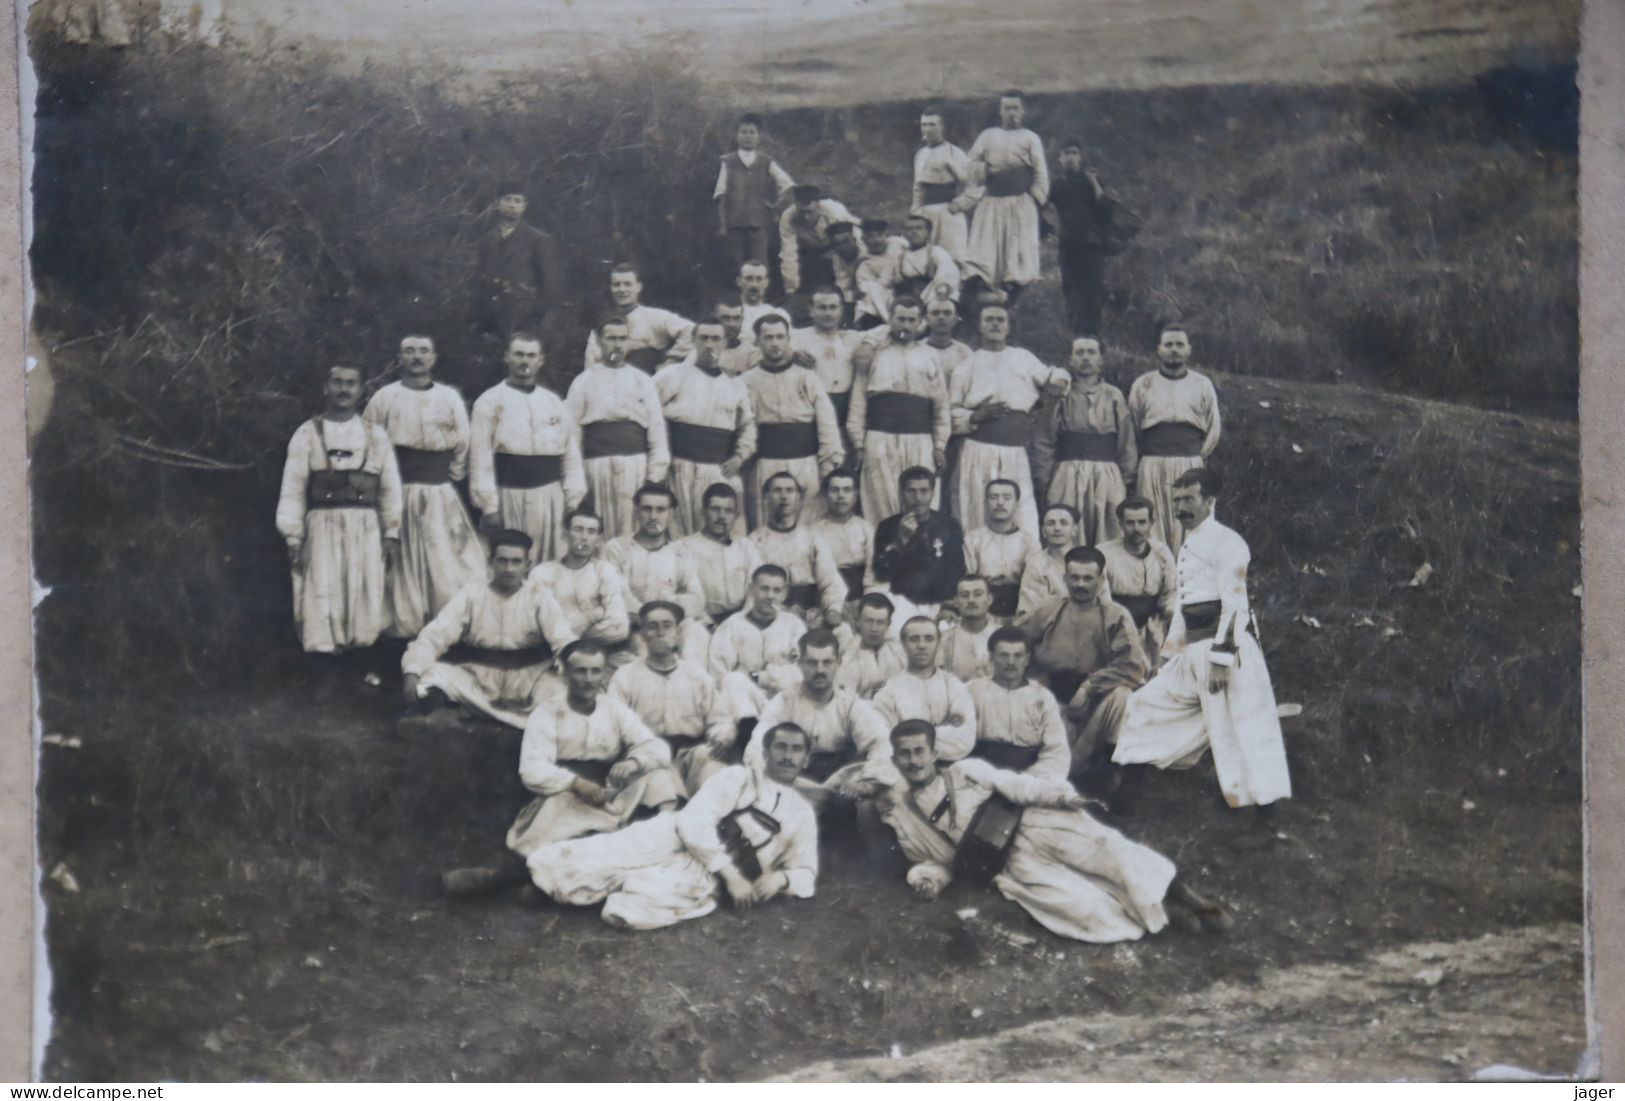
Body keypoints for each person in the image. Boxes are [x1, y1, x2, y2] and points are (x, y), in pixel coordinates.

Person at [876, 720, 1229, 942]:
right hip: (1010, 864)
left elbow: (1017, 786)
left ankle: (1198, 904)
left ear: (934, 751)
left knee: (1111, 850)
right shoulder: (906, 815)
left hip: (1035, 824)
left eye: (920, 751)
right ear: (895, 760)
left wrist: (1064, 798)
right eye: (904, 755)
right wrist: (928, 880)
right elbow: (938, 861)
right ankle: (1166, 918)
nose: (914, 761)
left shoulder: (965, 771)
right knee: (1080, 904)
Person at [439, 640, 680, 898]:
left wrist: (633, 762)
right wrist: (575, 783)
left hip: (609, 792)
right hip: (567, 792)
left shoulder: (614, 709)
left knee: (658, 778)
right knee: (560, 820)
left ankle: (667, 852)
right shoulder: (547, 713)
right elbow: (532, 768)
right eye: (580, 671)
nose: (588, 679)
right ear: (564, 672)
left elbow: (656, 747)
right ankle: (507, 878)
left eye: (595, 671)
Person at [1113, 469, 1291, 816]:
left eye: (1189, 499)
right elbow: (1183, 605)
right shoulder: (1189, 542)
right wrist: (1169, 657)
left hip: (1228, 649)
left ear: (1210, 500)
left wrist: (1222, 659)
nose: (1181, 507)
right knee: (1146, 705)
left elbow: (1235, 603)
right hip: (1192, 651)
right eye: (1176, 500)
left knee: (1242, 728)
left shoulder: (1229, 542)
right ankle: (1124, 798)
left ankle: (1264, 817)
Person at [526, 722, 820, 930]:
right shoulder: (738, 778)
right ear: (766, 754)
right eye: (780, 747)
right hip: (674, 837)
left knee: (638, 907)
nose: (787, 755)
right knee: (595, 856)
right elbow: (694, 821)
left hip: (705, 875)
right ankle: (513, 882)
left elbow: (806, 870)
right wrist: (732, 877)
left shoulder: (802, 814)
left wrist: (780, 880)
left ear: (806, 760)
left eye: (796, 750)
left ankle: (579, 897)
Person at [361, 335, 485, 639]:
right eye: (409, 351)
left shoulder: (449, 398)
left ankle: (446, 634)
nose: (417, 357)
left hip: (439, 491)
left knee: (445, 560)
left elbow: (463, 444)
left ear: (434, 357)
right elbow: (368, 441)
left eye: (424, 351)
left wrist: (446, 477)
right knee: (400, 565)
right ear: (399, 357)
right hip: (397, 493)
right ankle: (401, 636)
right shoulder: (384, 398)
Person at [276, 364, 403, 654]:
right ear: (326, 387)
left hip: (366, 527)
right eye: (337, 382)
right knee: (323, 590)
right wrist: (293, 536)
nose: (343, 389)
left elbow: (390, 488)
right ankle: (325, 665)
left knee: (365, 589)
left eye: (351, 383)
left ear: (360, 391)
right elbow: (293, 488)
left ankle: (361, 664)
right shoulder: (308, 433)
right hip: (322, 525)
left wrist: (391, 532)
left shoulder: (376, 435)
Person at [400, 530, 578, 730]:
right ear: (490, 562)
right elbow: (435, 635)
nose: (509, 568)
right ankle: (445, 714)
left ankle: (462, 713)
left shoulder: (540, 596)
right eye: (502, 561)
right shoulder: (472, 594)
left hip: (529, 677)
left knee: (561, 694)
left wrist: (570, 665)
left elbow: (562, 639)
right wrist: (412, 671)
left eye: (516, 562)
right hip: (479, 676)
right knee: (433, 677)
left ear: (527, 565)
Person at [735, 629, 894, 810]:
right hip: (794, 781)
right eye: (812, 663)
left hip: (838, 786)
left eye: (827, 662)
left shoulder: (851, 704)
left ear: (838, 663)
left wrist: (866, 784)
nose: (820, 670)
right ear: (799, 663)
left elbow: (882, 743)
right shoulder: (784, 701)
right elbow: (758, 744)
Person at [1022, 546, 1147, 773]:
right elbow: (1020, 645)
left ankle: (1112, 771)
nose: (1080, 585)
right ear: (1065, 578)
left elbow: (1132, 666)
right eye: (1075, 578)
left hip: (1097, 702)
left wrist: (1089, 687)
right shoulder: (1049, 609)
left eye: (1088, 578)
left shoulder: (1115, 616)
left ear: (1100, 581)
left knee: (1124, 697)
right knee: (1057, 768)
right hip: (1053, 697)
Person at [948, 302, 1070, 534]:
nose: (995, 324)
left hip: (1015, 450)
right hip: (977, 450)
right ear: (979, 327)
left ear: (1008, 327)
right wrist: (976, 415)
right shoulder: (966, 366)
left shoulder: (1023, 358)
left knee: (1021, 512)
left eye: (1000, 320)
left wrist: (1059, 381)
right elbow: (950, 413)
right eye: (989, 319)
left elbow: (1054, 374)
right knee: (976, 507)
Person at [469, 333, 586, 566]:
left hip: (551, 497)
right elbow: (480, 457)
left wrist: (572, 500)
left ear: (540, 360)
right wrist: (489, 506)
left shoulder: (554, 402)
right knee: (512, 560)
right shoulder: (489, 401)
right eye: (519, 354)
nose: (525, 361)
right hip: (509, 495)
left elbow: (570, 454)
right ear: (507, 357)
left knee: (551, 562)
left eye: (531, 355)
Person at [609, 601, 735, 795]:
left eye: (667, 626)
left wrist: (721, 734)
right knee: (664, 787)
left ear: (677, 632)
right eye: (652, 627)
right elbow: (614, 726)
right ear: (643, 634)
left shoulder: (695, 674)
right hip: (646, 755)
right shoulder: (625, 676)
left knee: (712, 767)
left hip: (689, 752)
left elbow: (719, 718)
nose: (660, 632)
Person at [567, 316, 671, 540]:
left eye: (622, 339)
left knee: (631, 532)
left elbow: (656, 433)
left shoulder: (643, 381)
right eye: (611, 339)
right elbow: (571, 436)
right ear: (600, 342)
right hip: (595, 468)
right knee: (597, 530)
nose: (617, 345)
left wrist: (654, 476)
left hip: (636, 467)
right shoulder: (583, 382)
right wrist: (576, 483)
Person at [849, 297, 950, 524]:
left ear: (921, 322)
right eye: (900, 319)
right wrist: (857, 443)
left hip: (920, 439)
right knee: (881, 503)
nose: (906, 326)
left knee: (921, 502)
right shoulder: (874, 353)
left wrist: (940, 445)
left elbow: (940, 405)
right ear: (890, 320)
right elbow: (858, 402)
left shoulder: (929, 355)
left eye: (912, 320)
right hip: (880, 438)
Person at [655, 319, 757, 537]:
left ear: (724, 343)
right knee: (679, 533)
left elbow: (747, 427)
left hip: (717, 469)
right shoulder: (673, 375)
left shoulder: (735, 385)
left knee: (718, 531)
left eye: (715, 339)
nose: (709, 345)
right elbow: (649, 413)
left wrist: (739, 457)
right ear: (693, 341)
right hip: (679, 468)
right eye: (703, 338)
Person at [742, 314, 844, 529]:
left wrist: (827, 465)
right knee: (765, 525)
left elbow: (827, 424)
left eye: (780, 337)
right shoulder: (747, 381)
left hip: (805, 464)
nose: (775, 343)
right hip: (765, 464)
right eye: (768, 338)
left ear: (789, 340)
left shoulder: (807, 377)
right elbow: (742, 426)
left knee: (807, 525)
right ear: (758, 341)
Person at [1034, 335, 1136, 546]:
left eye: (1091, 353)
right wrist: (1045, 480)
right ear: (1070, 359)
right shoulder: (1061, 395)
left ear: (1101, 360)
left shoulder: (1114, 395)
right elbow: (1045, 439)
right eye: (1080, 353)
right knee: (1068, 535)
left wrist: (1125, 481)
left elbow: (1127, 442)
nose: (1086, 358)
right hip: (1067, 476)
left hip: (1107, 476)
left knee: (1110, 536)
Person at [1128, 322, 1221, 555]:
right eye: (1168, 344)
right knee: (1153, 525)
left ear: (1189, 349)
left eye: (1180, 344)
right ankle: (1158, 585)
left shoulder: (1202, 384)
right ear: (1159, 349)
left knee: (1192, 525)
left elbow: (1213, 427)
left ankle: (1190, 585)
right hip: (1152, 464)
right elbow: (1133, 425)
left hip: (1189, 463)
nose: (1174, 350)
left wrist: (1197, 458)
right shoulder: (1143, 384)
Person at [602, 484, 708, 663]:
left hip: (672, 626)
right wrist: (652, 618)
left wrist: (669, 605)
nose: (653, 516)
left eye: (660, 510)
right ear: (636, 511)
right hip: (633, 629)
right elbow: (618, 597)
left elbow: (697, 600)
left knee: (697, 634)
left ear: (671, 514)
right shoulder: (617, 548)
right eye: (646, 509)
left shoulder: (680, 551)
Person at [963, 90, 1049, 303]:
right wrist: (987, 172)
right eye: (1007, 108)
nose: (1011, 113)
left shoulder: (1030, 138)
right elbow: (968, 166)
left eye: (1015, 108)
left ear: (1023, 111)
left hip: (1020, 202)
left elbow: (1040, 172)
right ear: (1000, 111)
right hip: (992, 201)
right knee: (986, 249)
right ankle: (989, 292)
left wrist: (1035, 200)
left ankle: (1014, 293)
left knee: (1017, 251)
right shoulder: (988, 135)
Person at [1045, 138, 1136, 337]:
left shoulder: (1091, 179)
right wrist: (1048, 230)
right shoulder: (1057, 185)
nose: (1070, 157)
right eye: (1066, 153)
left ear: (1080, 157)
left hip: (1092, 246)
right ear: (1060, 159)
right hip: (1068, 247)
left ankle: (1093, 335)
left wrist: (1094, 182)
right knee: (1071, 290)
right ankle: (1077, 334)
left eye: (1074, 153)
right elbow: (1041, 206)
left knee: (1093, 290)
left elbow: (1105, 207)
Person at [707, 564, 808, 728]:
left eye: (776, 590)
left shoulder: (793, 624)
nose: (770, 596)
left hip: (784, 700)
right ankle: (748, 731)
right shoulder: (731, 625)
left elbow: (801, 671)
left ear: (784, 593)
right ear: (751, 589)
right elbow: (719, 673)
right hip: (745, 702)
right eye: (764, 589)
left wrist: (760, 677)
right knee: (732, 679)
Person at [965, 627, 1070, 779]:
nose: (1011, 662)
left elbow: (1056, 750)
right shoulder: (972, 692)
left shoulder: (1042, 696)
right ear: (991, 658)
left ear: (1027, 659)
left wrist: (1030, 779)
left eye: (1018, 656)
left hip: (1031, 774)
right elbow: (960, 740)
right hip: (983, 773)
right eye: (1003, 655)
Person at [748, 472, 848, 627]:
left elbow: (830, 580)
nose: (783, 496)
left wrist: (832, 610)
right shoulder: (755, 540)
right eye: (777, 491)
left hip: (813, 613)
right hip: (773, 615)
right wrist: (784, 612)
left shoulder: (811, 536)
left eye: (789, 491)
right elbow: (754, 589)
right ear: (766, 498)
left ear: (799, 499)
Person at [871, 616, 977, 762]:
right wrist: (944, 727)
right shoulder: (889, 692)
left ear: (938, 643)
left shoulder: (953, 685)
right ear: (903, 644)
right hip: (906, 770)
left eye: (929, 639)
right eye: (914, 639)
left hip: (950, 767)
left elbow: (964, 741)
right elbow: (887, 742)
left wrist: (909, 734)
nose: (922, 645)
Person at [472, 186, 566, 344]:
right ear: (497, 203)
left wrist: (536, 318)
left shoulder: (538, 240)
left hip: (524, 321)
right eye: (507, 199)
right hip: (491, 325)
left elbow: (550, 286)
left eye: (517, 200)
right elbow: (479, 284)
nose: (512, 205)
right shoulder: (486, 241)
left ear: (524, 206)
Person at [871, 466, 965, 621]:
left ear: (932, 493)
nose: (918, 498)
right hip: (901, 605)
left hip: (941, 604)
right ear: (901, 493)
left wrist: (948, 606)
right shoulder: (887, 526)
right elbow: (881, 573)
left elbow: (957, 571)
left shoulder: (948, 525)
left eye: (924, 491)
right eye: (911, 491)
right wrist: (902, 540)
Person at [528, 509, 630, 649]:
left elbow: (619, 628)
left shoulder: (605, 570)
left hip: (598, 653)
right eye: (578, 530)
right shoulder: (543, 573)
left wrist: (567, 635)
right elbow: (543, 628)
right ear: (565, 535)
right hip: (553, 653)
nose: (584, 537)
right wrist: (594, 614)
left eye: (591, 531)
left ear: (599, 540)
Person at [1098, 497, 1177, 671]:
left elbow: (1170, 594)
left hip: (1154, 625)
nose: (1136, 529)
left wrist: (1169, 623)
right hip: (1117, 626)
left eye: (1142, 522)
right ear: (1120, 523)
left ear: (1151, 523)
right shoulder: (1104, 553)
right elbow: (1103, 598)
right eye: (1130, 523)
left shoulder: (1161, 552)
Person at [714, 113, 797, 270]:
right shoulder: (728, 161)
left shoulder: (766, 161)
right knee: (736, 264)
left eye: (752, 132)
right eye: (743, 132)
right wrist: (723, 224)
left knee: (760, 264)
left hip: (758, 224)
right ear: (736, 136)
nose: (748, 136)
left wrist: (774, 206)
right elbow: (720, 193)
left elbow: (787, 185)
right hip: (734, 223)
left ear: (759, 136)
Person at [583, 263, 695, 372]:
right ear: (611, 288)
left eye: (628, 284)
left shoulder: (654, 317)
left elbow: (691, 331)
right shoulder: (603, 322)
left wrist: (671, 360)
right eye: (617, 284)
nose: (622, 290)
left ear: (638, 287)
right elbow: (591, 361)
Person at [792, 286, 874, 435]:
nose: (828, 313)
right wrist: (790, 355)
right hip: (809, 409)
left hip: (843, 410)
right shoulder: (797, 337)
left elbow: (885, 331)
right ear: (810, 310)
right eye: (822, 308)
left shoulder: (852, 338)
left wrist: (868, 344)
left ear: (841, 310)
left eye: (833, 307)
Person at [679, 483, 764, 626]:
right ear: (703, 512)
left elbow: (756, 586)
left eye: (728, 511)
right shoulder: (685, 547)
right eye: (715, 509)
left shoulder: (745, 546)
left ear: (736, 516)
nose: (721, 517)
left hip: (742, 619)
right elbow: (684, 596)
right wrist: (707, 624)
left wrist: (743, 620)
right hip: (700, 623)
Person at [963, 479, 1042, 621]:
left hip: (1018, 608)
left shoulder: (1029, 542)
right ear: (986, 503)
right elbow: (968, 578)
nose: (1000, 503)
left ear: (1017, 503)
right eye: (993, 497)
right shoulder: (973, 539)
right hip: (982, 609)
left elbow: (1033, 584)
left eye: (1007, 498)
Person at [912, 106, 978, 266]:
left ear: (942, 126)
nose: (927, 129)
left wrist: (959, 204)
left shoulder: (954, 153)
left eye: (932, 124)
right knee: (926, 258)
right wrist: (915, 213)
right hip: (924, 213)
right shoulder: (921, 154)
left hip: (947, 213)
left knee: (952, 257)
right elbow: (918, 187)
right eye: (924, 125)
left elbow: (974, 185)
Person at [779, 183, 858, 298]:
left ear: (818, 205)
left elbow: (855, 238)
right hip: (808, 254)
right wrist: (790, 289)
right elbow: (788, 255)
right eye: (802, 212)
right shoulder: (788, 217)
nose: (806, 217)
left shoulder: (834, 211)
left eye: (810, 212)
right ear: (795, 206)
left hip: (835, 251)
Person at [810, 468, 874, 609]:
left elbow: (873, 570)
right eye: (834, 490)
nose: (841, 496)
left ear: (855, 495)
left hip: (861, 594)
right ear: (825, 495)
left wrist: (868, 601)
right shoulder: (814, 531)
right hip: (826, 597)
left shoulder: (865, 527)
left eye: (847, 490)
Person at [1015, 503, 1082, 623]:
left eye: (1063, 523)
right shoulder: (1036, 565)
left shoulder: (1090, 561)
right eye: (1051, 523)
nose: (1057, 528)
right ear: (1044, 532)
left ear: (1074, 530)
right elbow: (1031, 612)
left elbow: (1103, 602)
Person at [833, 592, 905, 699]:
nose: (874, 628)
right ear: (858, 621)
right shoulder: (848, 657)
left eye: (880, 622)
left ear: (888, 624)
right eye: (868, 621)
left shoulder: (900, 653)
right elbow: (844, 702)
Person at [937, 574, 998, 682]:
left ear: (989, 599)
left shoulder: (1001, 636)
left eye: (977, 594)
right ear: (956, 601)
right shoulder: (944, 640)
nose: (971, 600)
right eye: (965, 595)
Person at [735, 260, 793, 335]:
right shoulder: (730, 314)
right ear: (738, 281)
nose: (754, 285)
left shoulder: (777, 314)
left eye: (759, 279)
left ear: (766, 282)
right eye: (749, 279)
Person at [714, 301, 759, 376]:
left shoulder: (752, 354)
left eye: (736, 318)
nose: (732, 324)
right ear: (715, 319)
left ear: (742, 320)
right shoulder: (701, 352)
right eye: (725, 318)